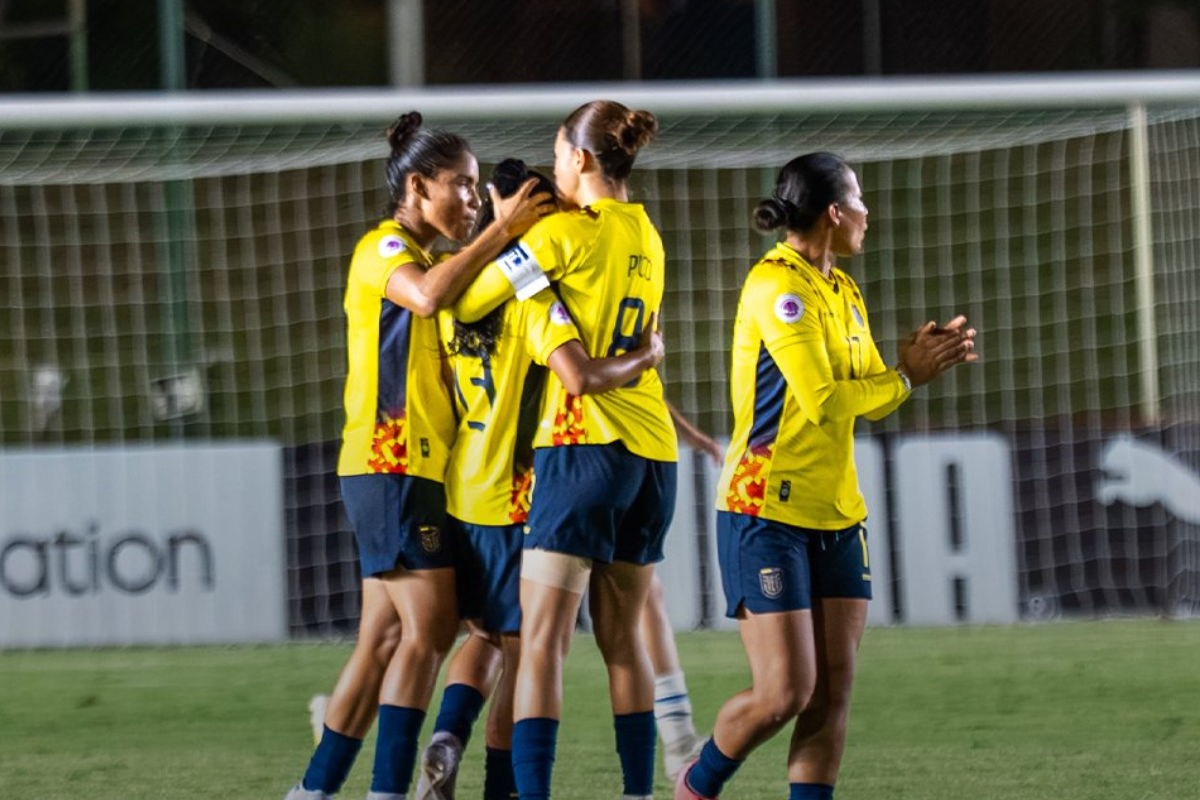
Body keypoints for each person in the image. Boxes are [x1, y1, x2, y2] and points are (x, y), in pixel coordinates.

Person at [674, 152, 977, 800]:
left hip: (836, 513)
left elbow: (870, 388)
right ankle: (695, 787)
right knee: (785, 691)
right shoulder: (777, 289)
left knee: (832, 692)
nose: (870, 214)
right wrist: (903, 379)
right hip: (765, 511)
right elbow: (826, 400)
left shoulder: (842, 288)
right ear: (836, 213)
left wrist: (909, 367)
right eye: (860, 202)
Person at [283, 111, 552, 800]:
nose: (469, 197)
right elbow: (428, 299)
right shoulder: (384, 249)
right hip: (390, 463)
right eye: (459, 184)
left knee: (381, 641)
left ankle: (313, 791)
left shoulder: (433, 258)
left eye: (473, 186)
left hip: (417, 471)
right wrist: (504, 229)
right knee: (430, 631)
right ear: (416, 185)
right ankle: (387, 791)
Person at [414, 158, 665, 800]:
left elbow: (458, 300)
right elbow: (578, 372)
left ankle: (446, 732)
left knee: (483, 633)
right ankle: (506, 788)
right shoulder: (536, 301)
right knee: (529, 646)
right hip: (522, 483)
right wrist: (646, 356)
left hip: (460, 482)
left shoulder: (450, 301)